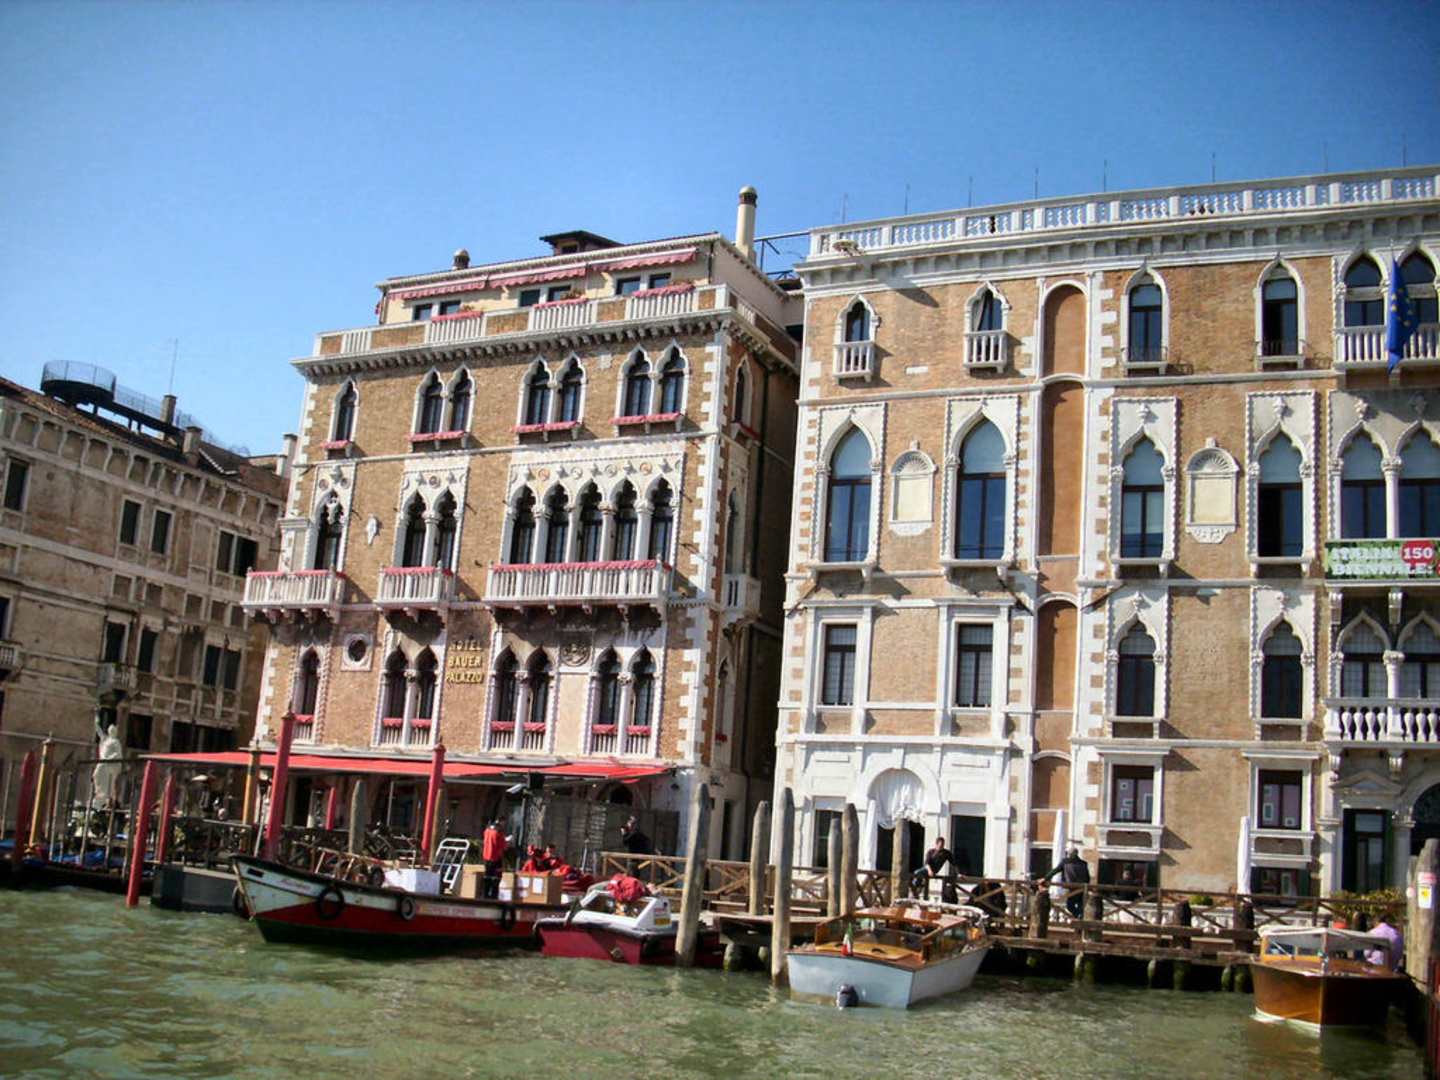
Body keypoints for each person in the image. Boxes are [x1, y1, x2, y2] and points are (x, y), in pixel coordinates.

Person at [1045, 848, 1090, 918]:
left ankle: (1077, 917)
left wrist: (1045, 878)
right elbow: (1087, 877)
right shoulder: (1083, 863)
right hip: (1082, 888)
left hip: (1072, 888)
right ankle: (1078, 918)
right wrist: (1087, 887)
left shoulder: (1065, 862)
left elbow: (1055, 870)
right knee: (1080, 908)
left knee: (1070, 906)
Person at [482, 819, 508, 898]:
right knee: (497, 877)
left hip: (486, 857)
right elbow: (503, 846)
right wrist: (506, 841)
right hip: (496, 858)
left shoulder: (486, 831)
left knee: (487, 876)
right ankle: (493, 895)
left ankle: (485, 895)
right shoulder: (498, 833)